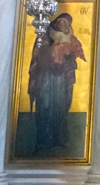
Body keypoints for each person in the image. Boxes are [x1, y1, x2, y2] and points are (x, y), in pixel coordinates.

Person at [28, 13, 86, 153]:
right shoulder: (45, 35)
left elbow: (73, 58)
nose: (63, 25)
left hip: (61, 79)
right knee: (45, 105)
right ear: (55, 22)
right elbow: (38, 54)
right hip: (46, 76)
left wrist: (68, 54)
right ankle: (43, 141)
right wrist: (54, 48)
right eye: (61, 22)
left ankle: (59, 139)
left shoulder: (70, 38)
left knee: (60, 107)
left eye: (67, 23)